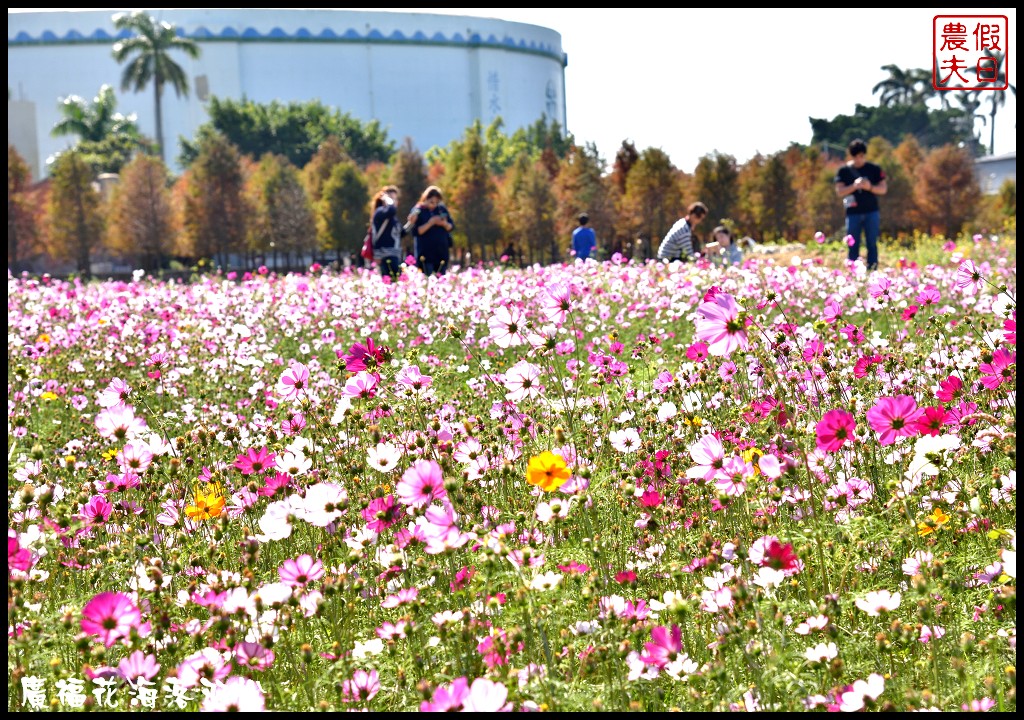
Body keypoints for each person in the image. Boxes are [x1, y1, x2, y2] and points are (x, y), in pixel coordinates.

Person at [834, 138, 887, 271]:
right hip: (853, 213)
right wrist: (854, 186)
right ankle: (853, 271)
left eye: (861, 156)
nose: (859, 159)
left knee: (872, 242)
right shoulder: (844, 171)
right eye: (855, 156)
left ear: (865, 155)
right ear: (851, 156)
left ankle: (872, 269)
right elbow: (839, 191)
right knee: (852, 243)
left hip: (871, 211)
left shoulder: (874, 169)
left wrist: (869, 187)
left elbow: (883, 189)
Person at [405, 185, 454, 277]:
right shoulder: (418, 211)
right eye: (431, 202)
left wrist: (444, 224)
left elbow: (451, 227)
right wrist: (431, 222)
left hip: (441, 253)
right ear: (425, 199)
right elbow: (416, 232)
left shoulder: (441, 209)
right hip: (425, 255)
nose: (434, 205)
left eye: (437, 202)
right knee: (427, 279)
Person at [370, 185, 407, 279]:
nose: (394, 202)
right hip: (385, 255)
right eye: (391, 198)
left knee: (397, 285)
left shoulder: (393, 218)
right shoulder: (380, 212)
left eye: (395, 199)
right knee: (391, 284)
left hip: (396, 254)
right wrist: (387, 200)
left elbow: (401, 233)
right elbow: (391, 209)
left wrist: (411, 222)